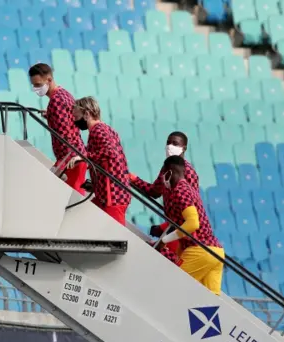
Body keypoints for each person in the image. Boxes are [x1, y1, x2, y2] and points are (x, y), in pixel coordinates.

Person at [155, 155, 224, 295]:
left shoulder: (180, 190)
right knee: (210, 305)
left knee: (173, 290)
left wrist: (163, 241)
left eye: (163, 174)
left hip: (199, 250)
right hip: (216, 252)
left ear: (170, 172)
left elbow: (193, 223)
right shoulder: (189, 189)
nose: (162, 178)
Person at [130, 132, 199, 265]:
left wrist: (165, 227)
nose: (169, 146)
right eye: (168, 142)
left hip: (180, 230)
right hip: (172, 225)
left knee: (169, 262)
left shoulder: (188, 173)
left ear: (184, 148)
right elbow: (155, 191)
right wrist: (134, 180)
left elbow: (192, 207)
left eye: (175, 143)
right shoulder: (166, 168)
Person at [28, 63, 87, 194]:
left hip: (70, 160)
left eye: (38, 85)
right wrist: (50, 115)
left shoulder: (56, 101)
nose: (36, 88)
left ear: (49, 80)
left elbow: (66, 136)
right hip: (75, 156)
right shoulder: (64, 94)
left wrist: (61, 166)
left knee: (70, 203)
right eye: (34, 85)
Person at [74, 97, 131, 226]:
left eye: (76, 117)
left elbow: (110, 152)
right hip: (108, 194)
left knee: (115, 238)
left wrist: (84, 157)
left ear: (87, 114)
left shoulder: (98, 130)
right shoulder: (106, 129)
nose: (75, 121)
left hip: (113, 196)